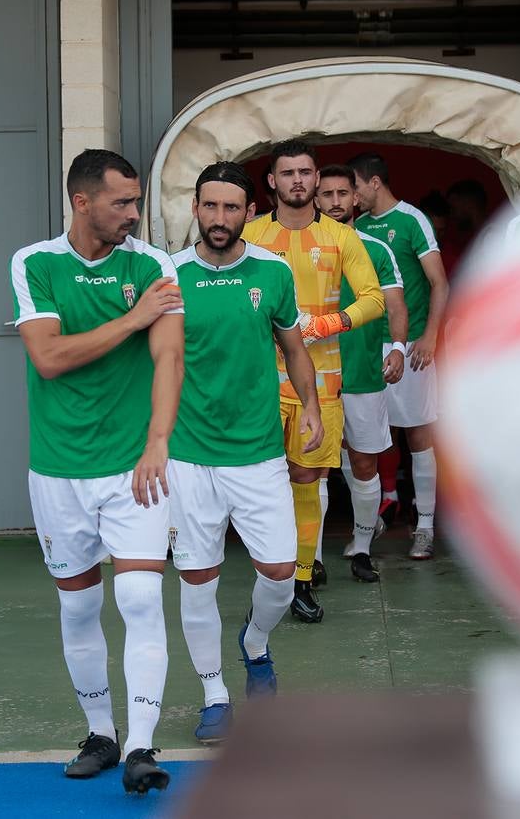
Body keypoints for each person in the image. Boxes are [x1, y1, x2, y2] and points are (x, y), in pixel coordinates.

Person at [9, 149, 184, 796]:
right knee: (80, 605)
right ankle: (102, 734)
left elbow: (168, 358)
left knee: (139, 597)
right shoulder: (35, 263)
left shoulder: (153, 266)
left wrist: (159, 441)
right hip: (57, 470)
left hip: (133, 468)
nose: (134, 215)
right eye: (121, 203)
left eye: (136, 203)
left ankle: (141, 746)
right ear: (82, 202)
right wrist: (132, 319)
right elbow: (49, 356)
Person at [169, 161, 321, 744]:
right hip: (188, 455)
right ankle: (215, 695)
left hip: (257, 453)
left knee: (281, 573)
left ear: (250, 213)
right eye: (210, 206)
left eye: (232, 208)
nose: (219, 218)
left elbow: (294, 348)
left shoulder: (273, 274)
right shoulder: (170, 275)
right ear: (196, 209)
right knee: (197, 579)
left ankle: (255, 643)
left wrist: (308, 405)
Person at [242, 140, 386, 621]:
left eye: (306, 172)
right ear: (272, 182)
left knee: (306, 478)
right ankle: (271, 579)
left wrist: (330, 323)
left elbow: (373, 298)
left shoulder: (343, 238)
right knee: (260, 483)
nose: (298, 181)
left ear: (316, 178)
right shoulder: (251, 233)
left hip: (320, 383)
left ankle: (303, 579)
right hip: (258, 381)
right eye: (288, 173)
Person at [348, 152, 450, 560]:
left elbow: (439, 283)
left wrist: (429, 337)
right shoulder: (354, 229)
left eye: (354, 187)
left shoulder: (412, 220)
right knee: (365, 437)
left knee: (418, 434)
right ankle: (370, 522)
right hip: (366, 348)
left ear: (374, 183)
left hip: (409, 347)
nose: (350, 197)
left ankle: (424, 524)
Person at [316, 164, 409, 581]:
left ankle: (362, 547)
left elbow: (394, 304)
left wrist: (398, 348)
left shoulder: (375, 248)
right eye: (327, 194)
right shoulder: (300, 246)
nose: (335, 202)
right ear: (315, 199)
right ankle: (310, 558)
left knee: (365, 465)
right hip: (312, 376)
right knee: (311, 467)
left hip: (363, 373)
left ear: (356, 198)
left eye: (342, 193)